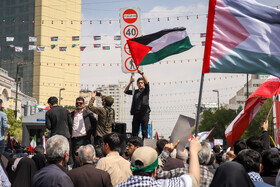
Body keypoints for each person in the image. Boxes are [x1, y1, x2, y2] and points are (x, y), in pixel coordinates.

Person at [117, 136, 202, 187]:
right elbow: (193, 180)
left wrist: (165, 152)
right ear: (155, 171)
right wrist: (193, 151)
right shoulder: (163, 185)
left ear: (131, 169)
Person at [124, 69, 150, 139]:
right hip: (136, 114)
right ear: (137, 84)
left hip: (144, 114)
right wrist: (130, 82)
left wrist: (142, 73)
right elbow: (125, 91)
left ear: (143, 84)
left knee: (144, 131)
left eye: (142, 83)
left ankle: (145, 146)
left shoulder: (146, 91)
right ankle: (134, 145)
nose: (140, 84)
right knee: (134, 132)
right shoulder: (134, 91)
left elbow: (147, 83)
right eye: (139, 83)